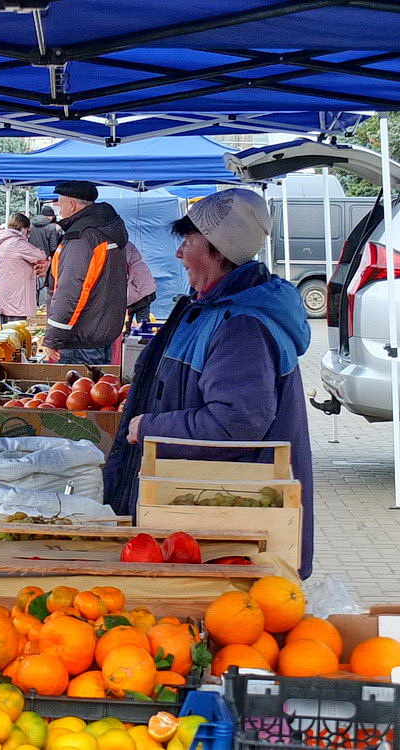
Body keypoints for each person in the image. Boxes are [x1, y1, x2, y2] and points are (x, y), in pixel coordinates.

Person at [103, 188, 313, 577]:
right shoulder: (211, 309)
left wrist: (150, 427)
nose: (179, 253)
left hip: (227, 523)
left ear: (218, 250)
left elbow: (234, 423)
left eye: (187, 241)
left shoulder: (241, 326)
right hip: (204, 510)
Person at [44, 180, 128, 366]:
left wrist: (53, 337)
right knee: (98, 383)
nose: (59, 210)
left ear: (72, 204)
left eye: (60, 204)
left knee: (77, 385)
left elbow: (72, 290)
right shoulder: (105, 231)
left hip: (79, 339)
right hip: (99, 333)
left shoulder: (82, 237)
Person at [0, 213, 48, 323]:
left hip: (4, 294)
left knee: (5, 329)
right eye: (28, 231)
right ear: (24, 228)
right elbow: (40, 256)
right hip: (17, 297)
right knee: (17, 329)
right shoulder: (18, 243)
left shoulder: (1, 241)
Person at [126, 242, 157, 324]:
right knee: (142, 321)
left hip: (140, 288)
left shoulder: (122, 246)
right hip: (145, 286)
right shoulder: (126, 244)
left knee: (137, 322)